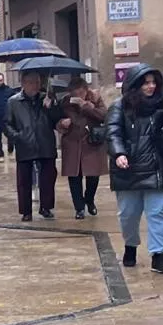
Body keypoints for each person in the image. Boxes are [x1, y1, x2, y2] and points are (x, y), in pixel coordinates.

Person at [107, 65, 163, 270]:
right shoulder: (119, 107)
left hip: (156, 168)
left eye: (153, 82)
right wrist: (119, 153)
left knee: (158, 212)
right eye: (146, 83)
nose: (151, 87)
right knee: (128, 215)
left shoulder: (161, 106)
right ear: (135, 85)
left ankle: (159, 254)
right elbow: (113, 132)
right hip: (128, 170)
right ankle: (130, 245)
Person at [4, 73, 62, 220]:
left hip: (45, 143)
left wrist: (51, 106)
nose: (35, 85)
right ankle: (26, 211)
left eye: (37, 82)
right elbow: (7, 124)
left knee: (48, 178)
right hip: (25, 144)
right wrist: (18, 137)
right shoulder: (13, 102)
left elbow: (57, 119)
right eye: (31, 82)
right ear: (23, 83)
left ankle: (46, 207)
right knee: (24, 180)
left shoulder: (46, 98)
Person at [58, 75, 108, 219]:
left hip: (91, 143)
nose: (77, 96)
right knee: (74, 177)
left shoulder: (95, 99)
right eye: (74, 94)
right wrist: (62, 123)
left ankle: (89, 200)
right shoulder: (65, 102)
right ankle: (79, 208)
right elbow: (56, 120)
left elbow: (104, 116)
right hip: (72, 143)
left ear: (86, 90)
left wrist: (86, 106)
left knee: (93, 176)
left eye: (80, 93)